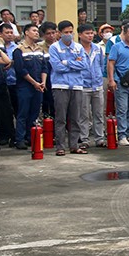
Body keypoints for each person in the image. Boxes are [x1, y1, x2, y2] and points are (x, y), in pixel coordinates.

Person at [49, 20, 87, 156]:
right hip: (60, 86)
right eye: (66, 32)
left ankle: (74, 145)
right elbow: (57, 67)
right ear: (59, 33)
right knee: (61, 118)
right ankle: (60, 146)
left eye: (71, 32)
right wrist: (73, 63)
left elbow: (84, 65)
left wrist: (65, 62)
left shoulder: (78, 47)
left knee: (76, 117)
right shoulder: (54, 48)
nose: (69, 35)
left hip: (77, 85)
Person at [12, 23, 47, 149]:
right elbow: (21, 70)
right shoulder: (19, 49)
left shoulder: (39, 49)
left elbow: (44, 67)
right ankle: (20, 139)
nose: (37, 33)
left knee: (35, 113)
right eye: (34, 30)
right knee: (23, 113)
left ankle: (31, 137)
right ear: (26, 32)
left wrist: (42, 82)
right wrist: (34, 83)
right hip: (25, 86)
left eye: (37, 31)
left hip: (38, 86)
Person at [107, 21, 129, 147]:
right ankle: (122, 135)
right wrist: (111, 80)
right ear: (124, 34)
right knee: (122, 109)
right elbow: (111, 63)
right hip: (120, 82)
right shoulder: (117, 47)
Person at [77, 24, 107, 148]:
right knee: (84, 114)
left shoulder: (97, 48)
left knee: (99, 113)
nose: (90, 35)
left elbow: (101, 65)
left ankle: (99, 138)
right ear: (79, 35)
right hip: (83, 85)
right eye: (87, 33)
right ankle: (84, 139)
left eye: (91, 33)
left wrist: (98, 76)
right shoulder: (76, 49)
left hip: (97, 85)